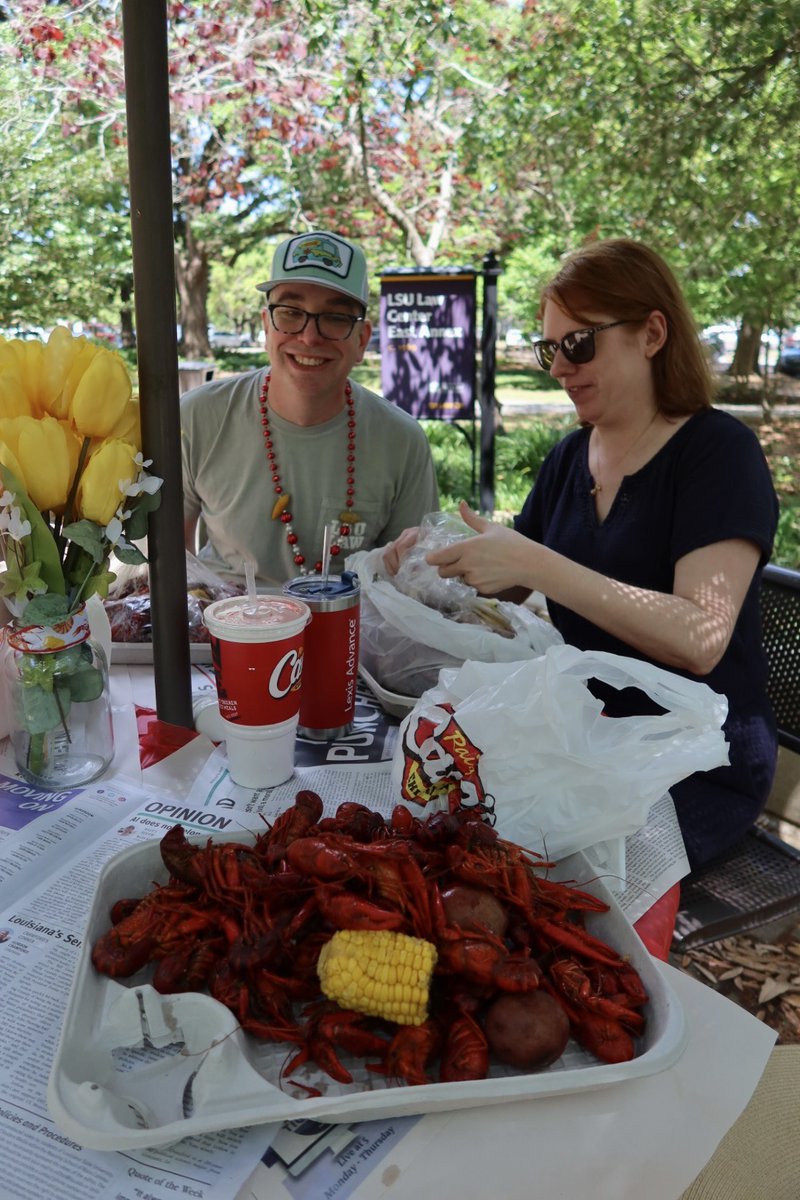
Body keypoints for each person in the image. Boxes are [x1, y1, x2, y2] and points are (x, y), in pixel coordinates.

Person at [385, 238, 779, 871]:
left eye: (579, 343)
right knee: (431, 827)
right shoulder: (573, 456)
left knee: (533, 882)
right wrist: (438, 559)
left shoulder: (717, 453)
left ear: (652, 333)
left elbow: (700, 637)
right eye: (550, 349)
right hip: (583, 737)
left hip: (691, 760)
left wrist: (539, 566)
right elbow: (514, 580)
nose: (560, 368)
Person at [181, 230, 439, 586]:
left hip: (353, 634)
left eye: (335, 317)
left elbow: (412, 581)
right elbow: (166, 570)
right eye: (290, 312)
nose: (309, 337)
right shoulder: (197, 418)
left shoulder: (401, 441)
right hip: (227, 631)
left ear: (362, 340)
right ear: (265, 325)